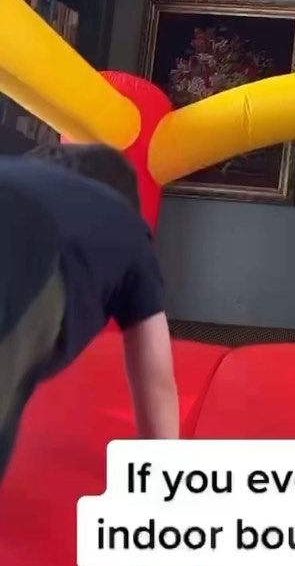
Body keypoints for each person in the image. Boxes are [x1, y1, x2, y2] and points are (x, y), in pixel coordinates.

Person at [0, 142, 179, 481]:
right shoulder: (125, 226)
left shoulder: (16, 172)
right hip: (27, 254)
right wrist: (162, 469)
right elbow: (156, 379)